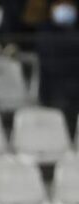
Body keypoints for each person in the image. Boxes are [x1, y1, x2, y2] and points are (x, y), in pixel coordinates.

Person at [35, 0, 79, 134]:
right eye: (60, 4)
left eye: (69, 4)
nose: (65, 8)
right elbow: (50, 63)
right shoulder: (45, 32)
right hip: (54, 91)